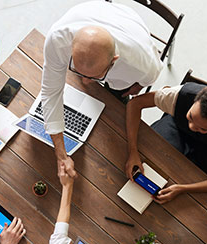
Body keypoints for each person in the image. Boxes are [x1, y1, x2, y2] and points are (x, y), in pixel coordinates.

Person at [42, 1, 162, 179]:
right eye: (77, 70)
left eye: (93, 77)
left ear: (114, 61)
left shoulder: (141, 65)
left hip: (128, 26)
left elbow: (147, 80)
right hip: (94, 13)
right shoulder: (57, 40)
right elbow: (50, 93)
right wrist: (61, 154)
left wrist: (136, 87)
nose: (84, 82)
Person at [126, 70, 207, 203]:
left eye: (203, 128)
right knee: (150, 158)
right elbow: (135, 104)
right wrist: (132, 151)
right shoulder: (180, 95)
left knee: (183, 187)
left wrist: (183, 189)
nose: (192, 127)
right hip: (176, 128)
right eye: (191, 117)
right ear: (195, 100)